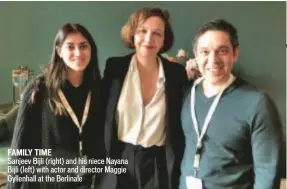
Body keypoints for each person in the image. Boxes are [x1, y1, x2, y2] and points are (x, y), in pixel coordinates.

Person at [180, 19, 284, 189]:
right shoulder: (187, 94)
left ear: (235, 53)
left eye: (222, 51)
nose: (213, 59)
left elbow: (268, 170)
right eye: (205, 51)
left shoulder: (257, 103)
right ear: (196, 55)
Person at [7, 23, 105, 189]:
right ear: (59, 51)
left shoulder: (99, 89)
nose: (78, 53)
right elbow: (21, 146)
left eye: (83, 46)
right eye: (70, 47)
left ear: (91, 50)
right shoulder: (39, 88)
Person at [100, 6, 187, 189]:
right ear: (132, 34)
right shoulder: (115, 67)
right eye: (143, 31)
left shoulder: (176, 74)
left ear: (164, 39)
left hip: (159, 162)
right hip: (119, 157)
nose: (149, 39)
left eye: (157, 33)